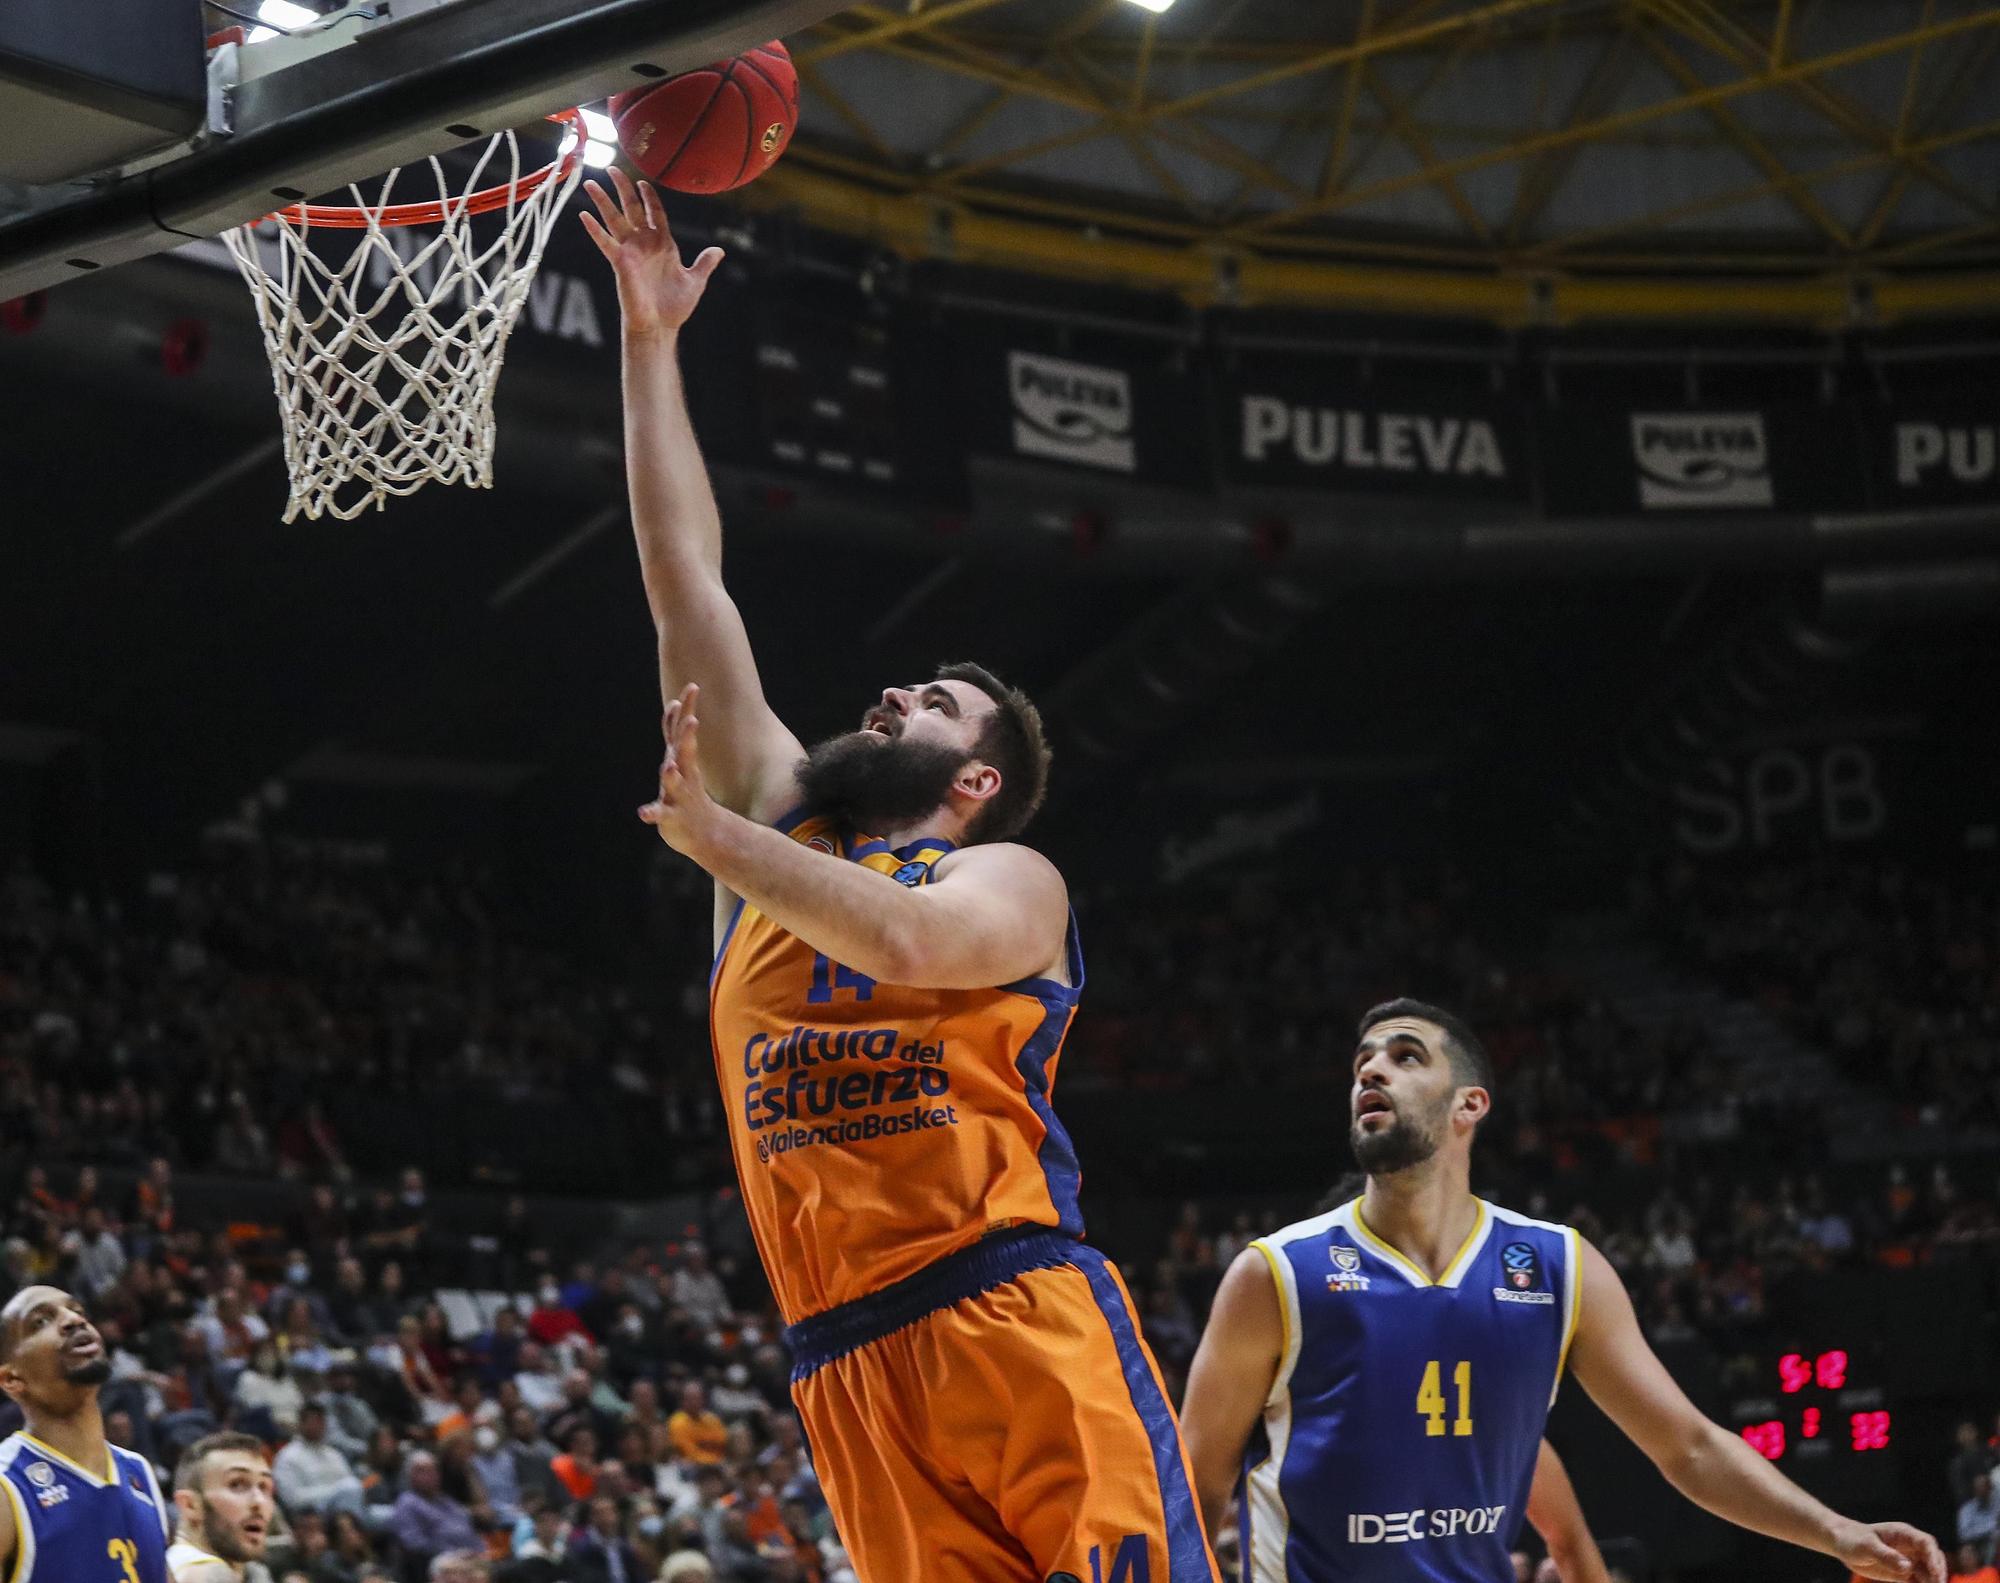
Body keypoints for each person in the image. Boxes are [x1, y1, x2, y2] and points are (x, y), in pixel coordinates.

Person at [581, 166, 1215, 1583]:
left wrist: (723, 843)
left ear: (977, 776)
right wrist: (648, 342)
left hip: (1010, 1308)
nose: (890, 693)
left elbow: (917, 947)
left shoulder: (1007, 875)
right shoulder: (775, 830)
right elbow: (685, 575)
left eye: (930, 702)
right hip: (843, 1357)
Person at [1178, 1000, 1945, 1583]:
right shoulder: (1275, 1275)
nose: (1370, 1072)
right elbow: (1191, 1487)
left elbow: (1690, 1445)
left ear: (1469, 1105)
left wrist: (1837, 1531)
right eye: (1362, 1063)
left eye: (1405, 1056)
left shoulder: (1558, 1268)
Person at [0, 1285, 173, 1581]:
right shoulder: (8, 1484)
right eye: (40, 1321)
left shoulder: (138, 1470)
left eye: (77, 1311)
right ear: (12, 1378)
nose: (73, 1320)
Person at [167, 1431, 276, 1581]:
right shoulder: (201, 1572)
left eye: (264, 1486)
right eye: (237, 1484)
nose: (259, 1501)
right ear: (190, 1505)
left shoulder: (252, 1573)